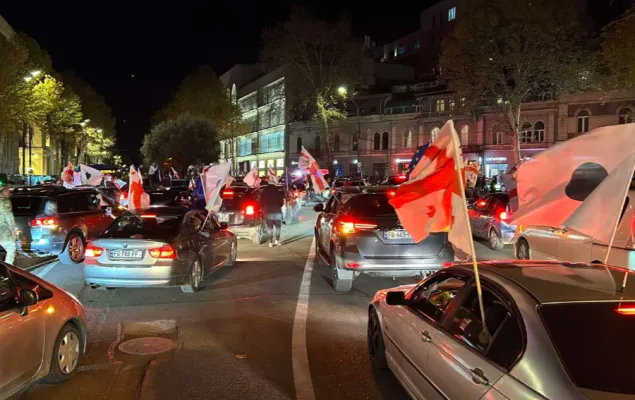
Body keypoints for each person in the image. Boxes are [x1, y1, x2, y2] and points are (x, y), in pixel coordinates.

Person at [261, 181, 285, 247]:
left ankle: (270, 242)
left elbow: (261, 201)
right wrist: (278, 206)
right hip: (277, 210)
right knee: (278, 227)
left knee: (269, 227)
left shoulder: (264, 191)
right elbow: (281, 202)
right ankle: (277, 241)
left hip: (267, 211)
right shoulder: (277, 191)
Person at [0, 184, 16, 264]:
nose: (9, 193)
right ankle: (8, 269)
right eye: (7, 191)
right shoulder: (5, 202)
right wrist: (13, 231)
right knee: (11, 248)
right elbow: (9, 217)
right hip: (3, 230)